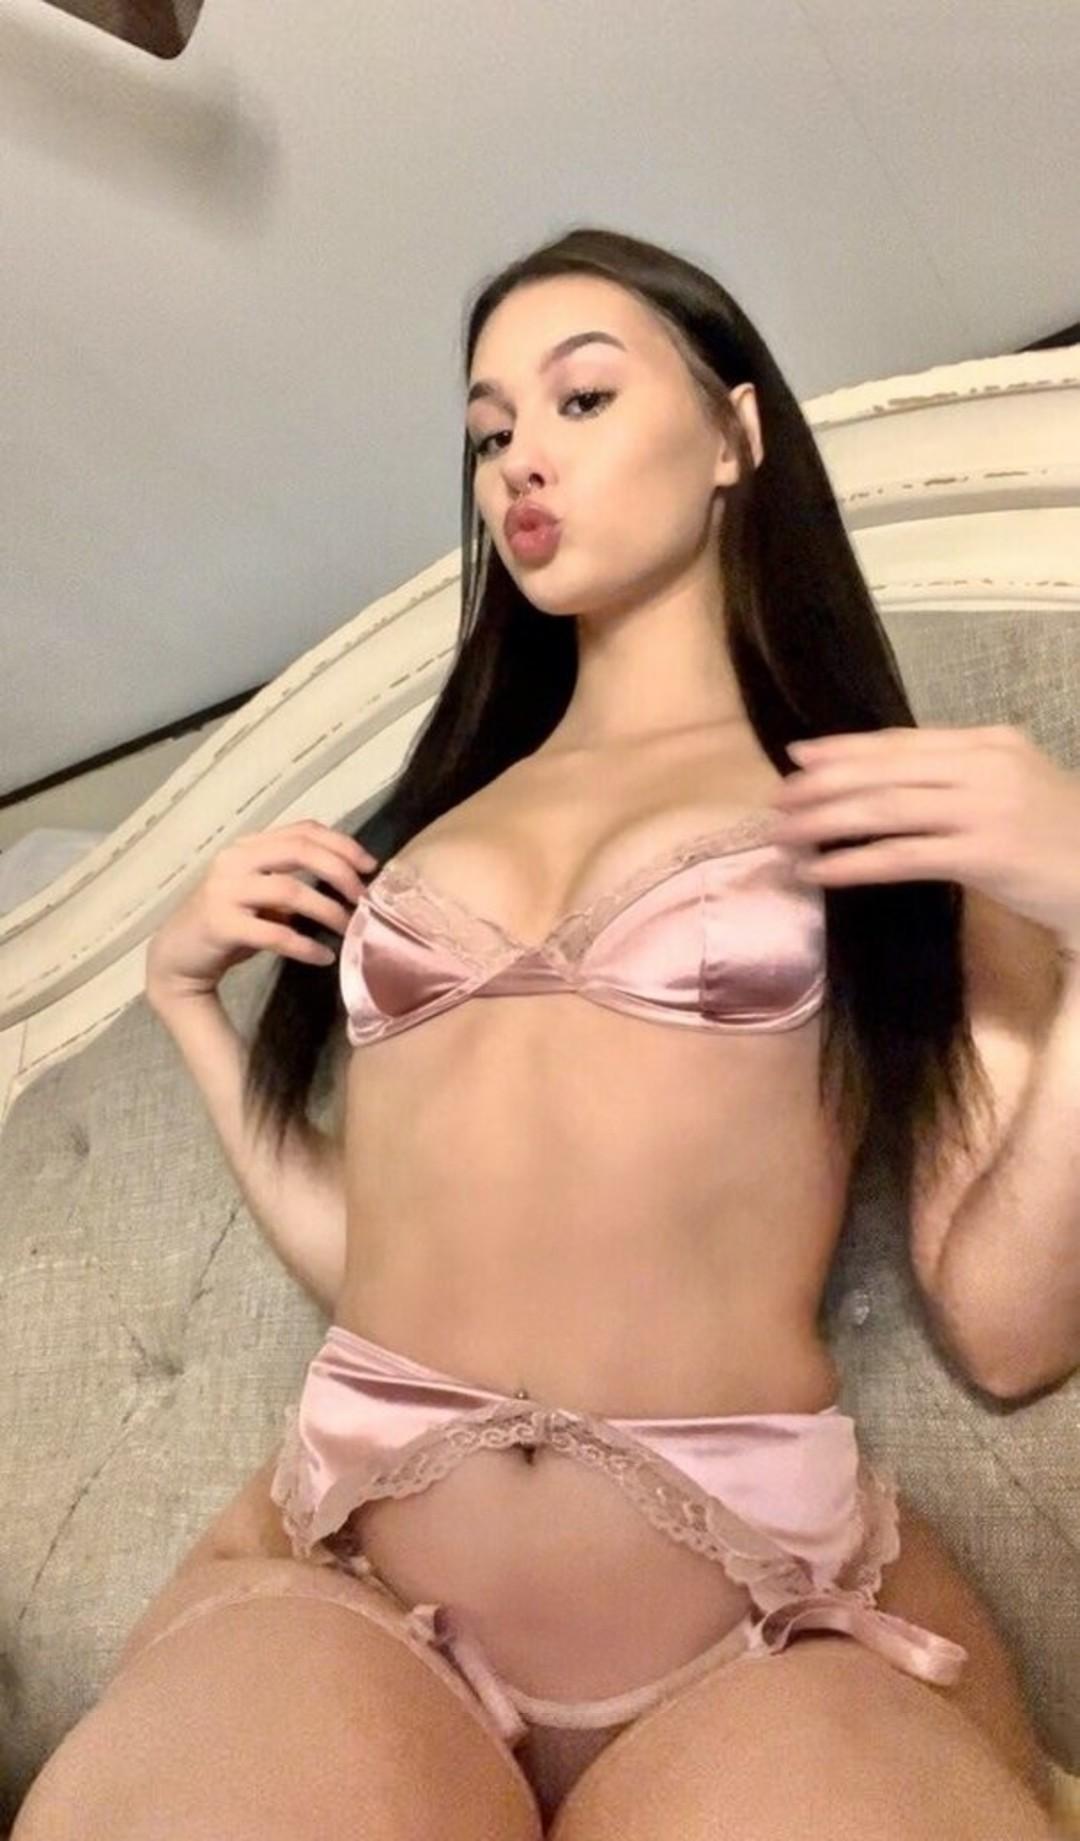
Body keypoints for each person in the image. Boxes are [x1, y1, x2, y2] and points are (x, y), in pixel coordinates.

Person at [16, 226, 1071, 1841]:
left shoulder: (877, 800)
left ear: (734, 435)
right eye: (490, 428)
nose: (520, 458)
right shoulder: (427, 826)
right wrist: (183, 1006)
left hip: (748, 1625)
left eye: (581, 398)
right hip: (356, 1587)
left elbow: (1008, 1325)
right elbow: (388, 1264)